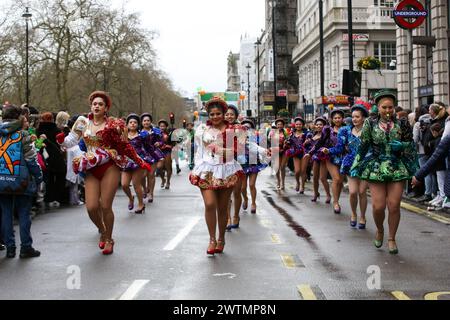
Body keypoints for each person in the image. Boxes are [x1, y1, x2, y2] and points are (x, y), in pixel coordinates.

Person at [63, 91, 151, 255]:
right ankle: (103, 230)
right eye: (94, 104)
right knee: (91, 207)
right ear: (91, 106)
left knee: (105, 205)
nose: (96, 106)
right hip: (91, 166)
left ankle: (109, 239)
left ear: (106, 108)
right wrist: (61, 137)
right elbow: (71, 140)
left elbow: (125, 145)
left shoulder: (112, 124)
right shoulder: (83, 122)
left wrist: (139, 160)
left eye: (100, 104)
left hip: (109, 166)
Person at [351, 91, 418, 254]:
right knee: (378, 206)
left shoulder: (402, 123)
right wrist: (356, 162)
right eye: (384, 107)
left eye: (390, 107)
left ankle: (391, 238)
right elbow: (364, 145)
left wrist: (402, 146)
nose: (388, 110)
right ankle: (380, 229)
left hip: (397, 166)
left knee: (394, 205)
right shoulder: (370, 123)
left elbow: (412, 145)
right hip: (376, 166)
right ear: (377, 107)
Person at [189, 97, 245, 255]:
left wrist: (219, 150)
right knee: (210, 204)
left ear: (224, 113)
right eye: (211, 114)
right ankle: (211, 239)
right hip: (206, 170)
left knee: (222, 207)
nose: (215, 117)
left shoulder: (234, 130)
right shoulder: (201, 130)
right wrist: (196, 168)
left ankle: (221, 239)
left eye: (218, 113)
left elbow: (238, 151)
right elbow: (199, 151)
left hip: (226, 170)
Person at [0, 105, 43, 258]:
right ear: (18, 117)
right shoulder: (23, 135)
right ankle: (26, 247)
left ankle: (10, 248)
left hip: (1, 180)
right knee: (24, 213)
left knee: (5, 214)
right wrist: (38, 177)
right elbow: (32, 160)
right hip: (22, 180)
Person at [324, 105, 369, 228]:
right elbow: (339, 147)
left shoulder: (369, 131)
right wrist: (329, 151)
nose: (354, 119)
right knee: (353, 192)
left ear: (364, 118)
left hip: (366, 164)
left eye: (357, 117)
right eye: (353, 116)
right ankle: (354, 214)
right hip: (350, 164)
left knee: (362, 191)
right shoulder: (345, 131)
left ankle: (363, 217)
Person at [317, 109, 346, 214]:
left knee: (340, 182)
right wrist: (313, 151)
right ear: (332, 119)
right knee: (336, 179)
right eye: (335, 118)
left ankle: (336, 199)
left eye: (339, 117)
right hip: (330, 156)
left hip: (343, 157)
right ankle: (336, 202)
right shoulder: (328, 130)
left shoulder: (347, 129)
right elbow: (321, 142)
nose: (337, 119)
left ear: (342, 119)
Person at [36, 112, 66, 208]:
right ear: (52, 119)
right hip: (56, 156)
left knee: (48, 179)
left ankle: (48, 197)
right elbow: (60, 143)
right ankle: (59, 197)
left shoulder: (38, 130)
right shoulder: (56, 130)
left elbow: (37, 144)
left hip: (44, 157)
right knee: (59, 177)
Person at [239, 119, 269, 214]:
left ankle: (253, 203)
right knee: (243, 187)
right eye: (244, 127)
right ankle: (246, 199)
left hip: (253, 162)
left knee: (252, 185)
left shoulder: (253, 138)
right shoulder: (237, 138)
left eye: (248, 127)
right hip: (242, 164)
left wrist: (265, 151)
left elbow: (255, 146)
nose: (246, 129)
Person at [121, 114, 149, 214]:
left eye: (135, 122)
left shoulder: (142, 135)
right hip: (126, 162)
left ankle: (141, 204)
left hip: (138, 161)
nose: (133, 124)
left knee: (136, 183)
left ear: (138, 124)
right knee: (124, 184)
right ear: (127, 124)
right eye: (130, 122)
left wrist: (146, 161)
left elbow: (147, 148)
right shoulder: (123, 135)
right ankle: (131, 197)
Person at [224, 105, 243, 229]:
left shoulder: (240, 129)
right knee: (226, 193)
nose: (229, 116)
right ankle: (228, 218)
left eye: (231, 114)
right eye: (226, 114)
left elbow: (244, 144)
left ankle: (236, 215)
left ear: (235, 116)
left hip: (238, 161)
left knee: (236, 192)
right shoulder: (219, 128)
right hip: (224, 162)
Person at [304, 117, 331, 203]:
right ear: (315, 126)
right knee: (315, 178)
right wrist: (307, 143)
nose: (319, 126)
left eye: (321, 125)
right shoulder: (312, 135)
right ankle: (316, 194)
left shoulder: (326, 135)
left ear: (324, 126)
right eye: (317, 124)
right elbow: (309, 146)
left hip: (324, 157)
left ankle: (328, 195)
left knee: (323, 178)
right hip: (315, 158)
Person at [140, 113, 165, 203]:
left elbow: (162, 141)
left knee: (151, 175)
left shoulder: (156, 131)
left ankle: (151, 193)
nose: (146, 122)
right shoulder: (138, 132)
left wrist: (159, 143)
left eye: (148, 121)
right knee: (142, 176)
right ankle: (144, 188)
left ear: (151, 122)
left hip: (153, 154)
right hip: (142, 155)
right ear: (142, 122)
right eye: (144, 121)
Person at [284, 117, 307, 194]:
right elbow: (288, 142)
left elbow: (311, 143)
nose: (298, 126)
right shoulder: (291, 134)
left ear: (303, 125)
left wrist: (307, 142)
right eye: (297, 124)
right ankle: (298, 182)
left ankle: (302, 186)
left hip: (304, 154)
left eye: (300, 124)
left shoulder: (307, 134)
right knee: (297, 171)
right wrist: (286, 143)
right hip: (295, 154)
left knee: (303, 171)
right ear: (294, 125)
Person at [269, 118, 289, 191]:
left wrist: (286, 143)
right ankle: (278, 181)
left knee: (282, 167)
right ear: (276, 125)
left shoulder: (286, 132)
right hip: (276, 151)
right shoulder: (272, 132)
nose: (279, 126)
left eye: (281, 124)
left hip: (284, 151)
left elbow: (288, 140)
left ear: (283, 125)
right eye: (278, 124)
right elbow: (270, 142)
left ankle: (283, 183)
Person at [158, 119, 173, 190]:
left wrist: (167, 146)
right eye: (160, 126)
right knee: (159, 167)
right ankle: (163, 179)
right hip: (159, 152)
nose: (162, 127)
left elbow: (173, 143)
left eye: (163, 126)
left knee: (168, 167)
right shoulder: (156, 133)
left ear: (166, 127)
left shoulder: (170, 133)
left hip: (167, 151)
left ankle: (168, 182)